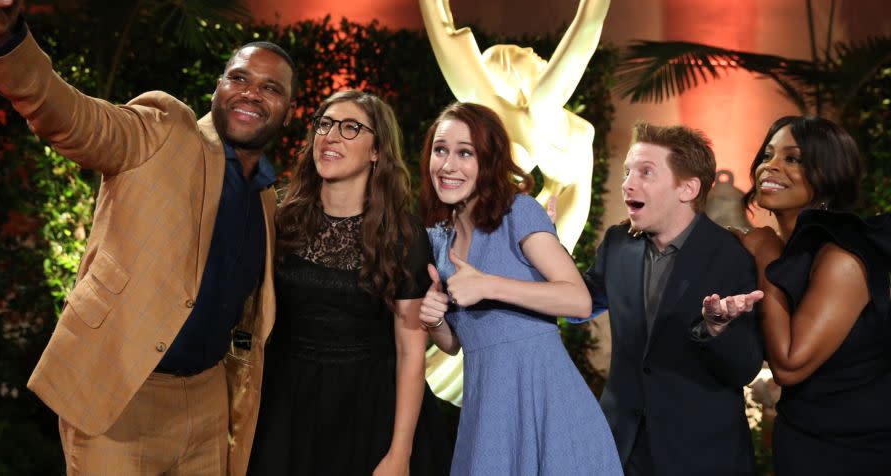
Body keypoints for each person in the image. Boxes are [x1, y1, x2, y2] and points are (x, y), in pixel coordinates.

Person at [0, 0, 293, 474]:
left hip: (208, 407)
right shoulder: (165, 130)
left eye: (270, 87)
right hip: (120, 395)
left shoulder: (269, 198)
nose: (250, 93)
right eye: (238, 78)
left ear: (288, 109)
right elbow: (70, 116)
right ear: (218, 88)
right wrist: (5, 40)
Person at [247, 90, 451, 475]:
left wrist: (400, 454)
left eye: (351, 128)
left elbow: (411, 353)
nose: (331, 136)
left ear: (377, 151)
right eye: (324, 124)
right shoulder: (282, 215)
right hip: (286, 405)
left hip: (369, 410)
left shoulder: (402, 234)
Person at [417, 102, 621, 475]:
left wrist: (489, 284)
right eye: (440, 150)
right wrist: (434, 320)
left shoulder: (519, 212)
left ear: (489, 161)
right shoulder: (437, 238)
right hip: (487, 412)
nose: (447, 165)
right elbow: (456, 343)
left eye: (465, 153)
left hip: (548, 405)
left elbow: (577, 300)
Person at [583, 122, 764, 475]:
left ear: (687, 188)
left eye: (645, 173)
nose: (628, 183)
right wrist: (542, 249)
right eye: (628, 172)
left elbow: (744, 368)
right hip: (622, 448)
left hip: (700, 456)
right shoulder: (618, 244)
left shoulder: (730, 257)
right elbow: (580, 302)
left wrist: (715, 329)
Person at [725, 116, 891, 475]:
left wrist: (765, 252)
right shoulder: (788, 250)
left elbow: (789, 364)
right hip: (800, 437)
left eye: (793, 158)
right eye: (768, 155)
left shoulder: (842, 257)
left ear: (828, 175)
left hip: (854, 451)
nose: (771, 165)